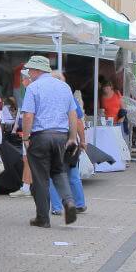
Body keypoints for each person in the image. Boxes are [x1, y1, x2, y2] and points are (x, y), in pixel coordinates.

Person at [19, 55, 80, 228]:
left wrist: (25, 136)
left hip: (41, 136)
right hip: (61, 136)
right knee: (58, 171)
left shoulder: (33, 87)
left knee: (40, 178)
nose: (29, 73)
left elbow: (28, 115)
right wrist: (71, 138)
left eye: (31, 70)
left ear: (38, 70)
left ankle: (42, 218)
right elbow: (73, 114)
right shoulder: (64, 87)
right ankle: (68, 201)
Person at [50, 72, 88, 218]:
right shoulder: (69, 98)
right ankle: (79, 203)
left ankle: (57, 207)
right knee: (73, 173)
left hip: (53, 138)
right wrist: (82, 140)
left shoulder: (46, 98)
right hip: (69, 139)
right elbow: (78, 121)